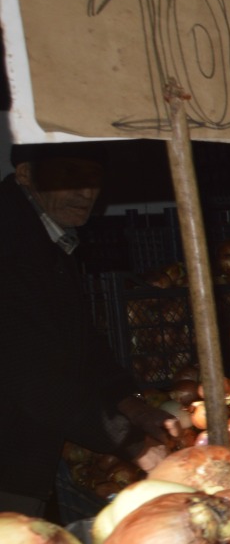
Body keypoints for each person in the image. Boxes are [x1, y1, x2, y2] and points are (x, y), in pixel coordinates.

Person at [0, 143, 178, 516]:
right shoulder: (12, 245)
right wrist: (134, 445)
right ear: (26, 174)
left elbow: (78, 340)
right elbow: (35, 378)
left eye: (93, 177)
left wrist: (131, 405)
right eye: (68, 174)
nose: (86, 192)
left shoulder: (43, 235)